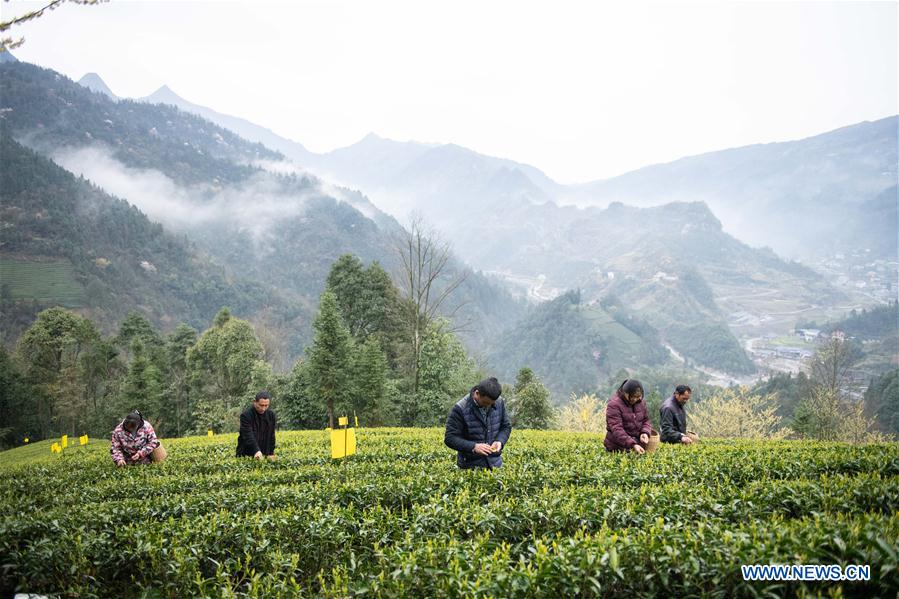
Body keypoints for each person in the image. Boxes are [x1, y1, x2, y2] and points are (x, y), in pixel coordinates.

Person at [444, 377, 512, 469]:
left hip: (495, 464)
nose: (488, 406)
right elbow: (450, 438)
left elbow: (506, 426)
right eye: (485, 402)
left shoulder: (498, 402)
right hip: (470, 467)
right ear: (477, 393)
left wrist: (500, 441)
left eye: (491, 404)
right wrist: (473, 447)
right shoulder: (461, 408)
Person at [604, 379, 651, 454]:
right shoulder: (614, 404)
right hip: (616, 449)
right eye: (633, 396)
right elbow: (617, 429)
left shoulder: (641, 403)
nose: (635, 399)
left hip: (636, 447)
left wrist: (644, 432)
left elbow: (646, 420)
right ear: (625, 393)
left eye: (638, 396)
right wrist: (633, 444)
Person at [236, 390, 277, 460]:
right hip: (246, 454)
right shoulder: (246, 415)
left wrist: (271, 452)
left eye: (266, 405)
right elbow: (248, 435)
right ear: (255, 402)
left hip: (264, 454)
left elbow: (271, 436)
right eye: (261, 405)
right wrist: (256, 450)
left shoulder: (271, 415)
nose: (263, 408)